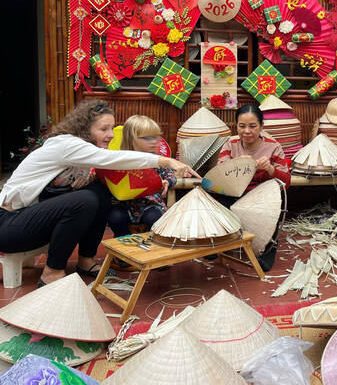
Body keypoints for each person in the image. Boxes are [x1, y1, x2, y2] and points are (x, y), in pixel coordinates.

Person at [0, 100, 198, 286]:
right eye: (103, 129)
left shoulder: (85, 150)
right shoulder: (67, 145)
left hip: (32, 221)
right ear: (84, 129)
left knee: (99, 191)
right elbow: (114, 159)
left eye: (112, 128)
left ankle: (86, 260)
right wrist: (166, 161)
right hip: (8, 225)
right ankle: (52, 272)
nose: (111, 135)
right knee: (85, 199)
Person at [214, 104, 290, 271]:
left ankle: (267, 251)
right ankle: (216, 244)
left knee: (276, 204)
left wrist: (270, 169)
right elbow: (220, 174)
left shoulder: (273, 147)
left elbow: (286, 181)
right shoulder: (231, 144)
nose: (246, 131)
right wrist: (238, 163)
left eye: (253, 126)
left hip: (261, 196)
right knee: (214, 200)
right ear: (236, 126)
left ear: (262, 126)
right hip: (234, 192)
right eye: (242, 126)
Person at [107, 115, 177, 238]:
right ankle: (122, 241)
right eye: (147, 138)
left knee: (155, 218)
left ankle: (151, 242)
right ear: (131, 139)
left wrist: (167, 181)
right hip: (123, 205)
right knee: (115, 218)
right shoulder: (119, 159)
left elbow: (171, 175)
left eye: (157, 137)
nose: (154, 141)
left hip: (149, 204)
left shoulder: (158, 159)